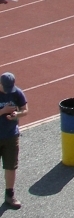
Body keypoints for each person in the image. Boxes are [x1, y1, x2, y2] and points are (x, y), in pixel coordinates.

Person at [0, 72, 27, 210]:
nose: (7, 90)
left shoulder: (17, 93)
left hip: (11, 136)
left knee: (11, 166)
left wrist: (17, 114)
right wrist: (2, 111)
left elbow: (25, 110)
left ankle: (9, 195)